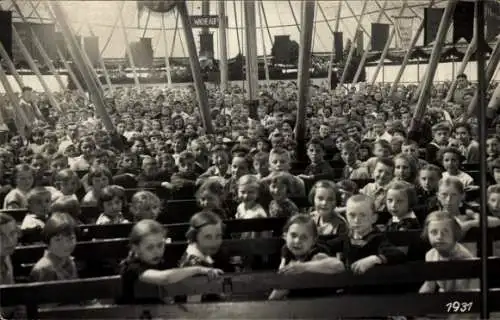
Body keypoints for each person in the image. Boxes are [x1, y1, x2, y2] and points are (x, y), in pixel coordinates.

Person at [118, 219, 223, 304]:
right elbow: (165, 278)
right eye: (150, 247)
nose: (157, 251)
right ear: (136, 248)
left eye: (160, 245)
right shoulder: (132, 266)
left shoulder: (160, 262)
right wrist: (198, 269)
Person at [268, 214, 345, 300]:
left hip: (321, 304)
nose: (297, 241)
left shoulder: (317, 253)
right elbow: (283, 283)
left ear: (313, 241)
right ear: (285, 236)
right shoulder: (286, 250)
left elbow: (339, 266)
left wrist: (303, 267)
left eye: (304, 237)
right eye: (293, 235)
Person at [419, 211, 477, 293]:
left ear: (454, 234)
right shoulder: (430, 255)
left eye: (445, 232)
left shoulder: (463, 259)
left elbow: (461, 292)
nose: (439, 237)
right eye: (434, 232)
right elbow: (429, 285)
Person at [177, 211, 225, 302]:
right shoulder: (193, 264)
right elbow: (193, 305)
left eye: (218, 236)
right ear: (195, 237)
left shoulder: (201, 253)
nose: (214, 242)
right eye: (208, 237)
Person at [30, 212, 79, 282]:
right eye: (58, 240)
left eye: (70, 238)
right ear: (48, 241)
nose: (65, 245)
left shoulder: (69, 261)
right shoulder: (44, 269)